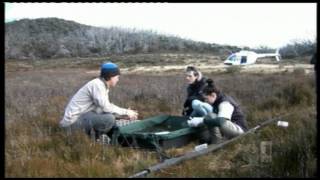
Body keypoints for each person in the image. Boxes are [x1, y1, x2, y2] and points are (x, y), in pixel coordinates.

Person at [59, 62, 138, 142]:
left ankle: (117, 140)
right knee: (109, 119)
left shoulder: (101, 85)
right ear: (110, 76)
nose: (118, 79)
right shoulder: (98, 85)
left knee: (109, 117)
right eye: (117, 77)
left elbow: (100, 110)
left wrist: (122, 116)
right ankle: (88, 141)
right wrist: (126, 112)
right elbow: (106, 107)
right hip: (71, 124)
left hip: (79, 119)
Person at [187, 79, 248, 144]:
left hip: (239, 130)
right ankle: (211, 140)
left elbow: (221, 121)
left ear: (213, 95)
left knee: (210, 116)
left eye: (206, 98)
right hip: (230, 126)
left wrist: (202, 120)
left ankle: (216, 143)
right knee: (208, 120)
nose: (205, 101)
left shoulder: (224, 103)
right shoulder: (217, 101)